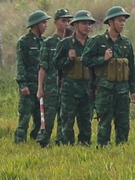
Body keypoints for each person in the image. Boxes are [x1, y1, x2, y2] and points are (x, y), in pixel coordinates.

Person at [85, 5, 135, 146]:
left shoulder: (126, 43)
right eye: (120, 20)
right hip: (104, 89)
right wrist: (103, 59)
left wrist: (133, 90)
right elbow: (85, 60)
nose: (123, 23)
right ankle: (103, 149)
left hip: (122, 90)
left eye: (124, 21)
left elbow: (131, 68)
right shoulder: (97, 41)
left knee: (123, 123)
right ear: (110, 22)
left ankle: (121, 149)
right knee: (104, 121)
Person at [47, 10, 96, 146]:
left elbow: (96, 68)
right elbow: (56, 64)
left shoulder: (93, 43)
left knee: (86, 121)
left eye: (89, 24)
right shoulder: (65, 43)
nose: (87, 27)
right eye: (84, 23)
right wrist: (68, 59)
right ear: (76, 25)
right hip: (69, 89)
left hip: (86, 89)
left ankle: (85, 146)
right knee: (67, 121)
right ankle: (66, 147)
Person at [34, 8, 74, 148]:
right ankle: (43, 141)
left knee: (64, 116)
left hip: (67, 86)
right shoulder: (49, 43)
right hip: (51, 85)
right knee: (49, 116)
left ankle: (61, 141)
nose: (66, 24)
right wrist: (40, 88)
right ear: (56, 22)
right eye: (63, 21)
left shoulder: (71, 42)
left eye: (68, 21)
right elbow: (43, 66)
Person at [13, 9, 51, 143]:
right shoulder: (24, 42)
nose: (46, 26)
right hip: (28, 85)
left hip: (41, 86)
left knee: (39, 116)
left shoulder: (45, 42)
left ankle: (36, 137)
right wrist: (23, 84)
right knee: (25, 116)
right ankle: (19, 140)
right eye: (43, 23)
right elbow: (20, 64)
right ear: (35, 25)